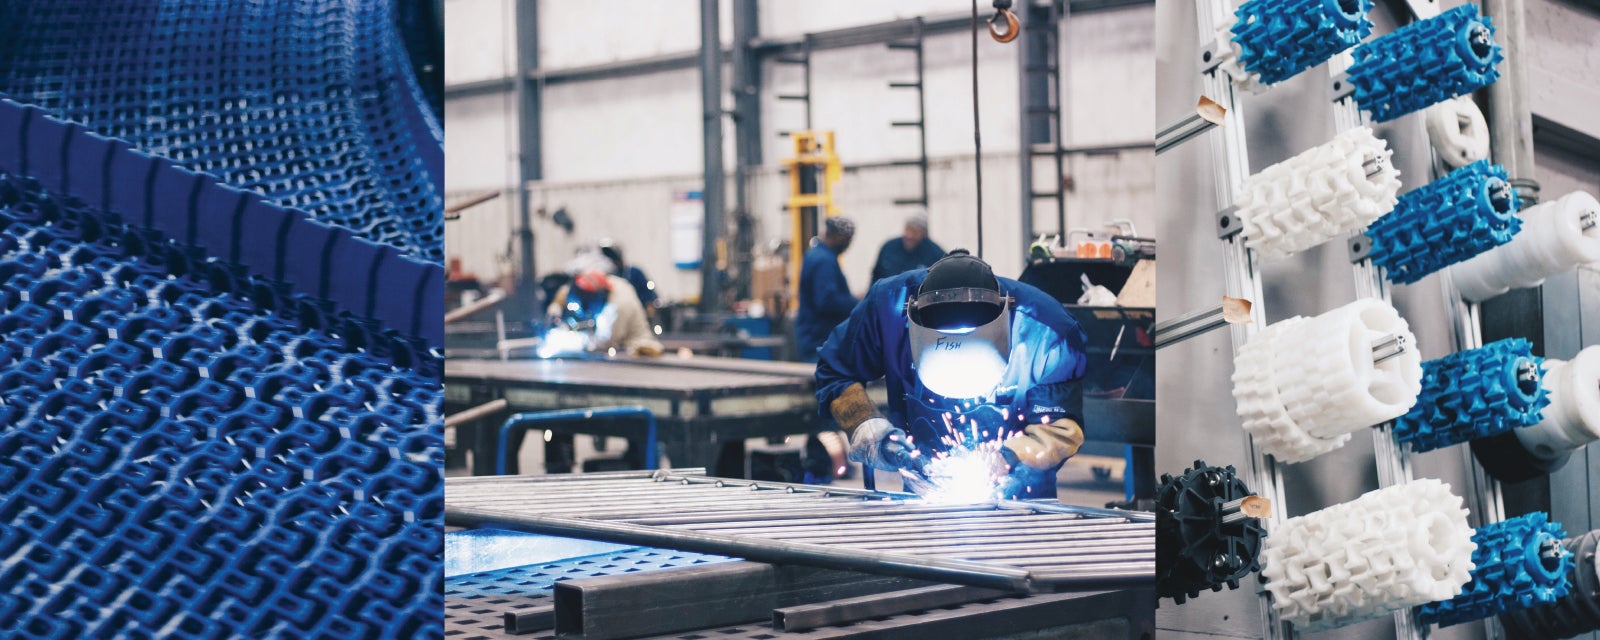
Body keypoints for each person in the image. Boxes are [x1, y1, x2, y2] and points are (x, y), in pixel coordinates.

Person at [815, 249, 1088, 498]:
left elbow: (1059, 429)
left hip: (1024, 504)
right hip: (923, 496)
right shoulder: (888, 308)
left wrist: (1008, 457)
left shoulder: (1046, 331)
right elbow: (836, 371)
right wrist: (868, 427)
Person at [545, 269, 663, 357]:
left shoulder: (617, 307)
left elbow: (602, 342)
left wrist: (566, 339)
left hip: (632, 350)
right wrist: (556, 306)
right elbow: (570, 288)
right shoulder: (606, 281)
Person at [796, 216, 858, 363]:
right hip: (820, 339)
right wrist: (857, 303)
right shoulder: (824, 261)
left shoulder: (814, 254)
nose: (848, 245)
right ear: (837, 236)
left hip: (811, 335)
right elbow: (827, 301)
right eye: (847, 240)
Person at [870, 209, 945, 285]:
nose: (910, 235)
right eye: (908, 229)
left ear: (924, 234)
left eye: (915, 232)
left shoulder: (935, 254)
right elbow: (876, 277)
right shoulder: (888, 247)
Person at [597, 239, 658, 318]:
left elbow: (648, 294)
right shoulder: (608, 277)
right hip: (615, 314)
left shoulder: (634, 272)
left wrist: (649, 308)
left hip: (638, 312)